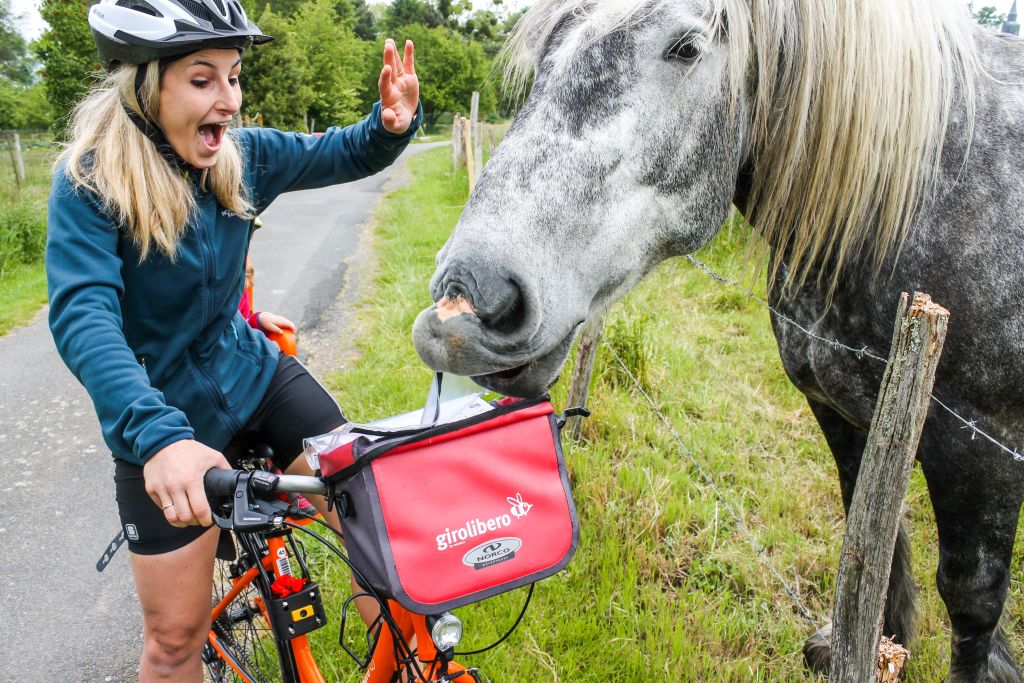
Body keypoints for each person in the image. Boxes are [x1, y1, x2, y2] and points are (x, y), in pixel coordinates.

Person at [45, 1, 420, 680]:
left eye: (235, 76)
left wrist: (389, 126)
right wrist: (157, 437)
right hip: (159, 419)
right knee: (172, 640)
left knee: (376, 525)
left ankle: (402, 663)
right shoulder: (90, 184)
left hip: (255, 378)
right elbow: (83, 316)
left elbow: (337, 151)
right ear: (143, 87)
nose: (229, 100)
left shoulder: (239, 161)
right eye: (202, 79)